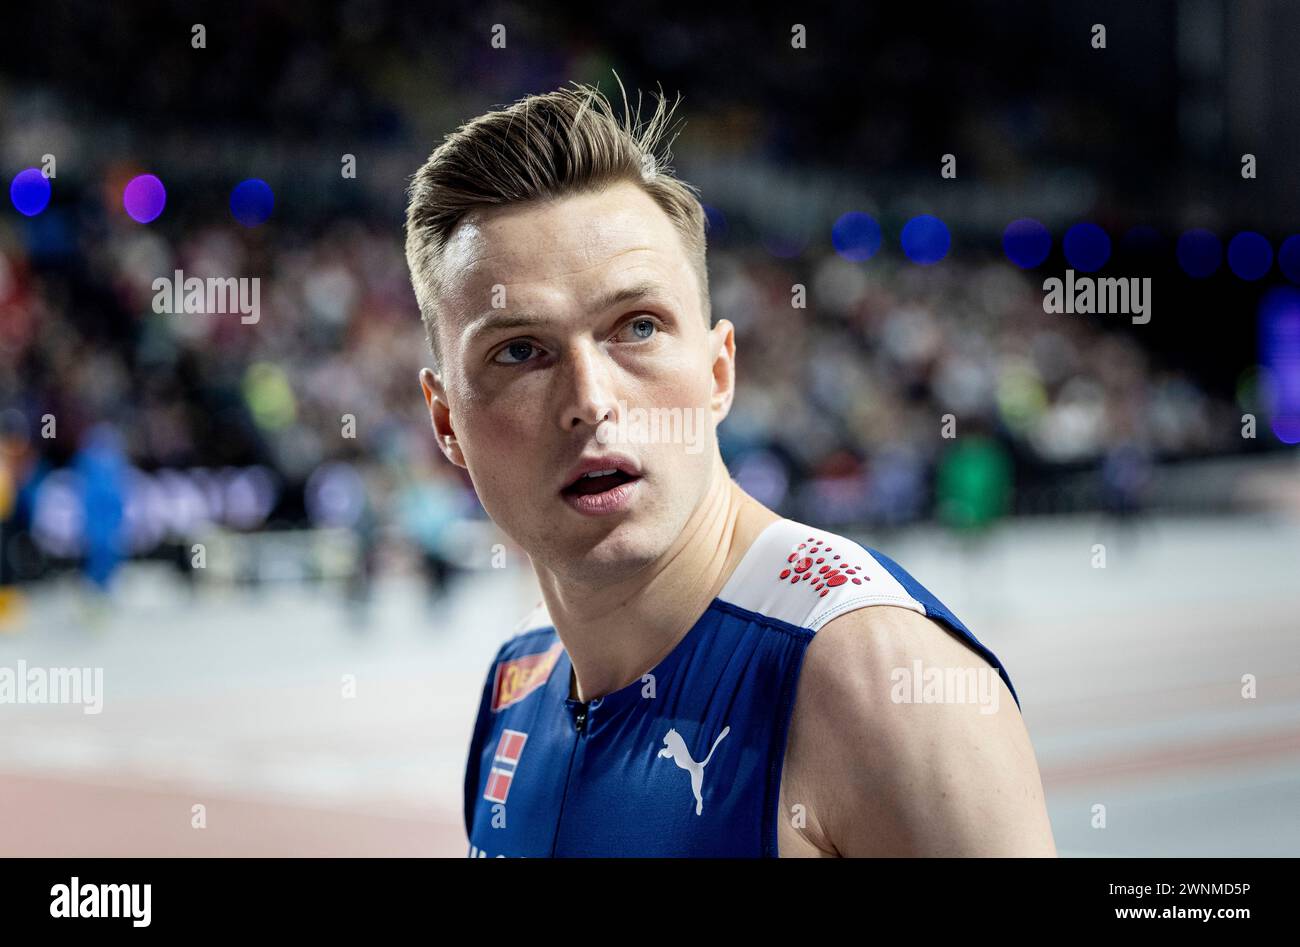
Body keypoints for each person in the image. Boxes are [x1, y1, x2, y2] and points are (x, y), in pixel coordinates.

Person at [404, 81, 1056, 857]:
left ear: (719, 374)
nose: (590, 401)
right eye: (520, 351)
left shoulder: (875, 681)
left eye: (636, 327)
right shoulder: (517, 684)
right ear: (447, 421)